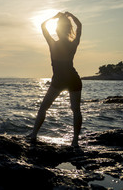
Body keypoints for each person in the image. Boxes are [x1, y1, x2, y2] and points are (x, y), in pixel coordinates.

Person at [28, 11, 83, 147]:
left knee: (43, 108)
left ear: (57, 30)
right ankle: (75, 141)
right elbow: (80, 25)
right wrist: (71, 16)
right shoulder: (73, 44)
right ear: (68, 29)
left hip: (59, 79)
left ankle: (34, 135)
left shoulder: (52, 43)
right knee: (76, 110)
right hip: (73, 78)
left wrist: (54, 18)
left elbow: (42, 25)